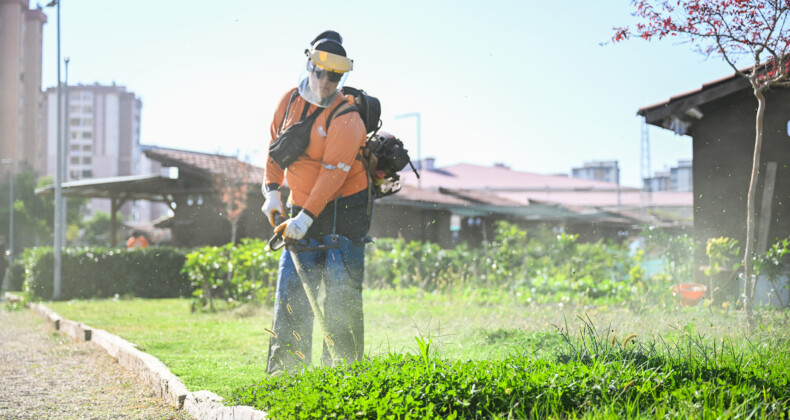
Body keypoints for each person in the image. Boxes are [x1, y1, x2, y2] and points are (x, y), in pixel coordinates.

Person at [261, 30, 371, 374]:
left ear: (342, 76)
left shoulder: (347, 117)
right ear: (309, 67)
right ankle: (286, 372)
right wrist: (272, 192)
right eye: (320, 72)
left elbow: (333, 175)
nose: (325, 81)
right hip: (300, 208)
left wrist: (305, 219)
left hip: (345, 210)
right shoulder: (290, 101)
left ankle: (344, 372)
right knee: (292, 288)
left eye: (334, 76)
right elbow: (276, 149)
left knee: (340, 292)